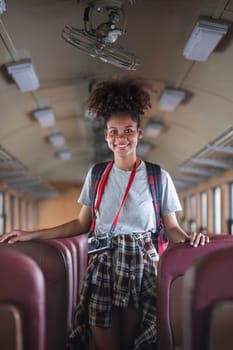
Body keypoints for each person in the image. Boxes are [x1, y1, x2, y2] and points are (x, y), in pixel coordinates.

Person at [0, 77, 209, 350]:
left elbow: (171, 227)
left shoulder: (159, 176)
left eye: (127, 131)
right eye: (113, 131)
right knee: (102, 340)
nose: (120, 138)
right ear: (106, 135)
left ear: (139, 133)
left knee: (132, 342)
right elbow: (80, 223)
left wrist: (190, 238)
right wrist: (30, 234)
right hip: (102, 263)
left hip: (140, 265)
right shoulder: (97, 174)